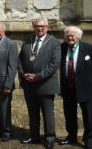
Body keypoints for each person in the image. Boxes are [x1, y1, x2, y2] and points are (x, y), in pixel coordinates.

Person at [19, 18, 61, 149]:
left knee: (48, 113)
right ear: (33, 27)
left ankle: (49, 138)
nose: (39, 28)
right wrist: (22, 73)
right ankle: (34, 136)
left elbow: (54, 64)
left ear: (47, 27)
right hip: (29, 84)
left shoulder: (54, 42)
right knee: (32, 112)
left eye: (42, 26)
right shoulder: (27, 40)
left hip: (45, 84)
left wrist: (38, 76)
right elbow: (19, 60)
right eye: (37, 26)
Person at [58, 26, 92, 149]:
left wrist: (87, 82)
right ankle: (71, 136)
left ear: (78, 36)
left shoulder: (89, 48)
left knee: (88, 116)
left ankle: (89, 139)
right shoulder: (62, 48)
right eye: (67, 35)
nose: (69, 37)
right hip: (68, 87)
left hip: (84, 88)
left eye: (72, 35)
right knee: (69, 115)